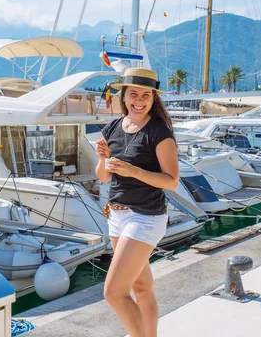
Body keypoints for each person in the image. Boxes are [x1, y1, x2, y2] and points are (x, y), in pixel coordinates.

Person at [95, 67, 179, 337]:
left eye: (146, 95)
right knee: (141, 289)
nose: (140, 100)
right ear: (124, 95)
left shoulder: (159, 133)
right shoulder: (112, 128)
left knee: (114, 293)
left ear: (154, 98)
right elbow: (104, 177)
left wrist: (134, 171)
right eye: (134, 94)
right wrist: (101, 159)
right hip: (117, 216)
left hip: (145, 217)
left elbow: (172, 181)